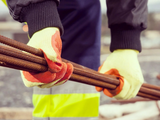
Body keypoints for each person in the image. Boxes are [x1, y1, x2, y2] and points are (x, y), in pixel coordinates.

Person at [2, 0, 148, 119]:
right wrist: (39, 15)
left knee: (83, 11)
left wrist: (126, 43)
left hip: (84, 13)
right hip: (56, 8)